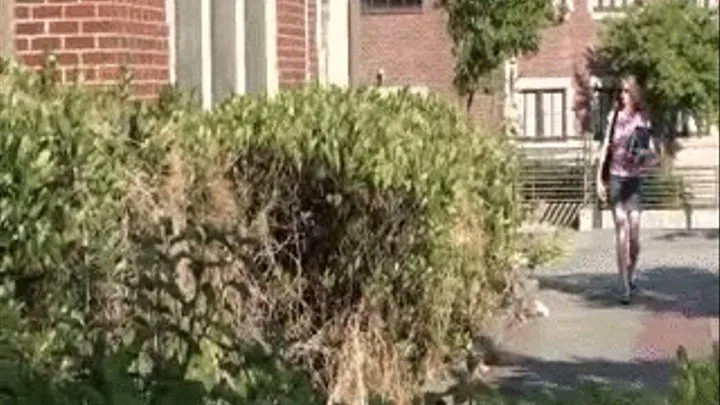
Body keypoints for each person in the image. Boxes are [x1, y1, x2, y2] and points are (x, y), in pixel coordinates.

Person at [595, 76, 659, 305]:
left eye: (625, 91)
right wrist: (598, 179)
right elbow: (604, 148)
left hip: (634, 181)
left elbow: (651, 152)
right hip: (616, 178)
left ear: (633, 93)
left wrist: (647, 159)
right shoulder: (613, 118)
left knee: (634, 236)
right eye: (619, 91)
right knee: (621, 229)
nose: (622, 95)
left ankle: (631, 274)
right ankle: (623, 283)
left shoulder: (641, 119)